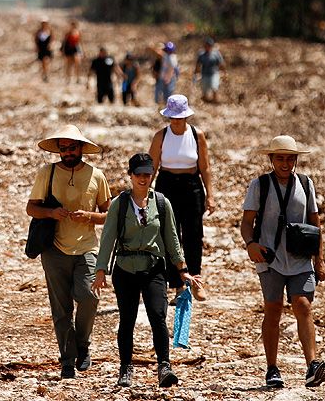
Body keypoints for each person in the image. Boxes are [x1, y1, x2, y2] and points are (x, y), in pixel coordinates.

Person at [94, 153, 201, 388]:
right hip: (125, 269)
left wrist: (182, 269)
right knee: (127, 319)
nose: (143, 179)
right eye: (139, 174)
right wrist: (101, 270)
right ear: (130, 175)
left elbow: (172, 238)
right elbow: (108, 238)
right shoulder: (119, 204)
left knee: (157, 316)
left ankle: (164, 366)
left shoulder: (162, 203)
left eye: (147, 174)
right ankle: (125, 367)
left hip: (154, 269)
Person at [240, 135, 325, 389]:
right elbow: (247, 223)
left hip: (300, 257)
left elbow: (315, 224)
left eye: (290, 158)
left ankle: (312, 365)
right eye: (280, 157)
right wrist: (251, 245)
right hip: (270, 258)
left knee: (302, 305)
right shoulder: (260, 185)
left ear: (296, 160)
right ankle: (272, 368)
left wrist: (320, 260)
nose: (285, 163)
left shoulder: (306, 184)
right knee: (274, 307)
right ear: (271, 159)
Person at [26, 125, 111, 379]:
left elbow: (108, 215)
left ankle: (82, 345)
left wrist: (89, 216)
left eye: (72, 147)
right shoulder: (47, 173)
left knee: (88, 297)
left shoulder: (97, 176)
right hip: (54, 249)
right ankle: (67, 359)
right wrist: (52, 213)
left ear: (81, 148)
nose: (67, 152)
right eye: (63, 148)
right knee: (60, 308)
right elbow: (31, 208)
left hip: (87, 248)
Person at [148, 94, 213, 301]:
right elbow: (151, 167)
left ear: (186, 117)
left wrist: (210, 195)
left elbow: (205, 167)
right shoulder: (161, 136)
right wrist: (144, 194)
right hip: (167, 185)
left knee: (193, 234)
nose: (176, 121)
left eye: (180, 117)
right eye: (173, 117)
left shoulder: (196, 135)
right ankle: (177, 285)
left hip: (192, 185)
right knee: (170, 234)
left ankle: (196, 280)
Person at [194, 38, 224, 103]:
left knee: (214, 87)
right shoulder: (201, 54)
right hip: (205, 74)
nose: (207, 47)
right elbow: (198, 64)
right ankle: (206, 100)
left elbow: (221, 63)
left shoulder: (216, 53)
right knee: (204, 89)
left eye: (209, 45)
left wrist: (223, 71)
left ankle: (215, 101)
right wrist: (196, 73)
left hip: (214, 73)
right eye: (206, 45)